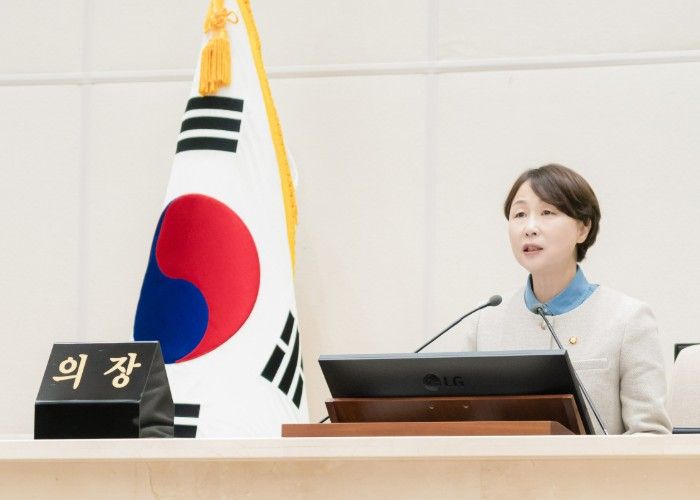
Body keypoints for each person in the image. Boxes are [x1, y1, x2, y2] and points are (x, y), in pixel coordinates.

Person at [466, 163, 671, 434]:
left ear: (582, 229)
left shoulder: (628, 319)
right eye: (519, 214)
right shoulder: (485, 322)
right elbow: (465, 429)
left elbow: (651, 435)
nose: (529, 228)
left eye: (547, 212)